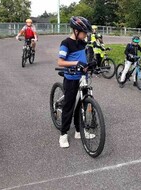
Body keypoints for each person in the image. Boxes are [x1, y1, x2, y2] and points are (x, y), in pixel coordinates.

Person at [57, 16, 95, 148]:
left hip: (83, 77)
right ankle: (63, 134)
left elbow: (85, 57)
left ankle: (79, 131)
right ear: (76, 31)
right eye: (84, 32)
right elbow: (60, 62)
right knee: (69, 106)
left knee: (83, 104)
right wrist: (76, 63)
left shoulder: (82, 43)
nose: (86, 35)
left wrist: (91, 63)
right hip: (71, 78)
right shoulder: (66, 43)